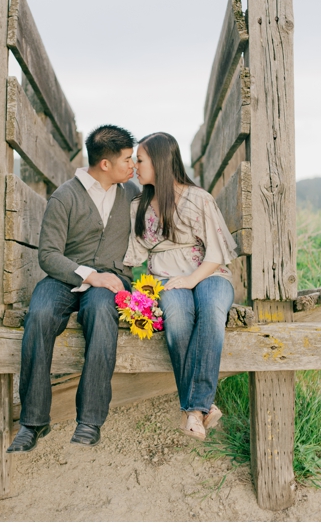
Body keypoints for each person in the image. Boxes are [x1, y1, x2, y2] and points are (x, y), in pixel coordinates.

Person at [7, 125, 139, 454]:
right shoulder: (65, 196)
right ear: (105, 164)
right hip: (66, 277)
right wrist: (88, 275)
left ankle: (90, 420)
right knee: (38, 315)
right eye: (127, 159)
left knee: (100, 309)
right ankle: (32, 422)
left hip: (111, 280)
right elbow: (49, 255)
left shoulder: (133, 194)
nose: (132, 165)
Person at [123, 132, 238, 440]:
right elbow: (133, 257)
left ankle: (193, 409)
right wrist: (129, 291)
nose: (135, 164)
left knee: (211, 310)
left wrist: (190, 279)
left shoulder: (198, 198)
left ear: (160, 162)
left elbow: (216, 252)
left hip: (209, 273)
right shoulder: (139, 205)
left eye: (141, 159)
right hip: (165, 278)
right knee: (176, 317)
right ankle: (202, 409)